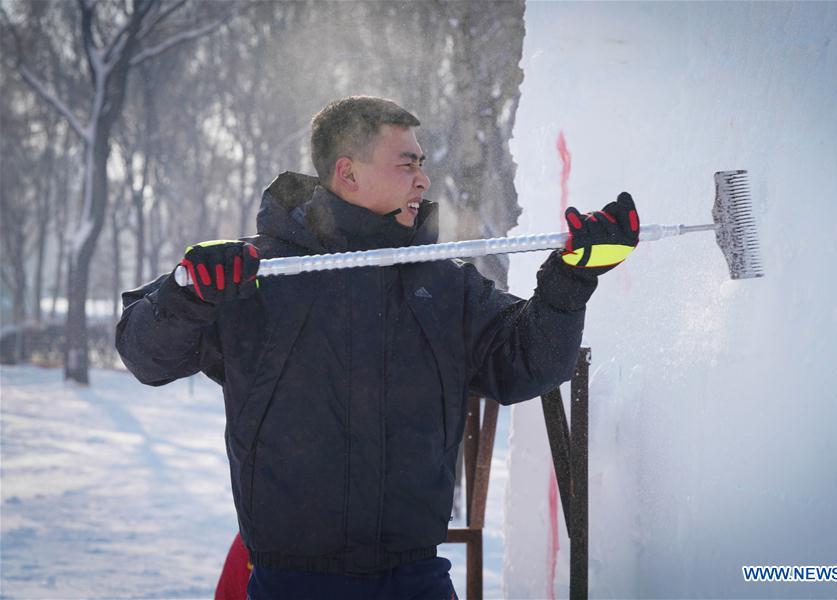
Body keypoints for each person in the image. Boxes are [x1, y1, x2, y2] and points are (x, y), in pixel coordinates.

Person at [116, 96, 639, 599]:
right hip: (292, 582)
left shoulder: (444, 283)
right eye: (407, 163)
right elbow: (146, 356)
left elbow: (528, 362)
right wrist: (186, 293)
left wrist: (571, 280)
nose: (423, 179)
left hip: (415, 578)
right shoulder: (259, 275)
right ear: (348, 173)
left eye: (422, 164)